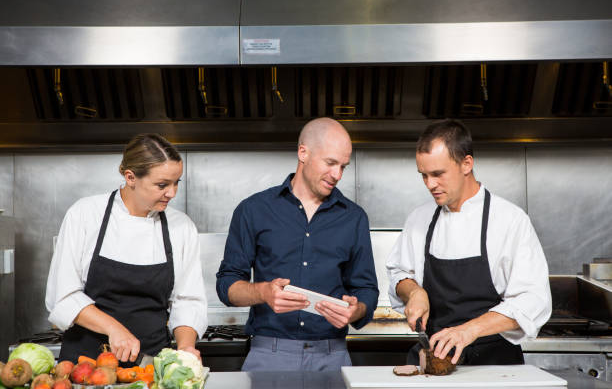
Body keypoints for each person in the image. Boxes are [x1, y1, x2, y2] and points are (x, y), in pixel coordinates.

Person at [216, 117, 379, 372]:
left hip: (332, 355)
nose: (337, 175)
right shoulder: (254, 209)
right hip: (268, 354)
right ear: (303, 152)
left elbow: (367, 289)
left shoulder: (354, 217)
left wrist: (356, 311)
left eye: (343, 167)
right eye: (330, 163)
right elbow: (226, 285)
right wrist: (263, 293)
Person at [386, 119, 551, 366]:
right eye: (424, 175)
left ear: (466, 163)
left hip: (495, 365)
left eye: (438, 174)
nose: (430, 184)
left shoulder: (509, 220)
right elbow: (400, 272)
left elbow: (532, 300)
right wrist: (414, 292)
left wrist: (468, 330)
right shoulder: (419, 219)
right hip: (435, 362)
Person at [46, 133, 207, 365]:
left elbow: (188, 300)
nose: (172, 193)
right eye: (162, 185)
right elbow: (62, 296)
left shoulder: (181, 226)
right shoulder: (85, 214)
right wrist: (114, 328)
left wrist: (186, 348)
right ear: (130, 177)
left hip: (152, 364)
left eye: (176, 183)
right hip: (86, 366)